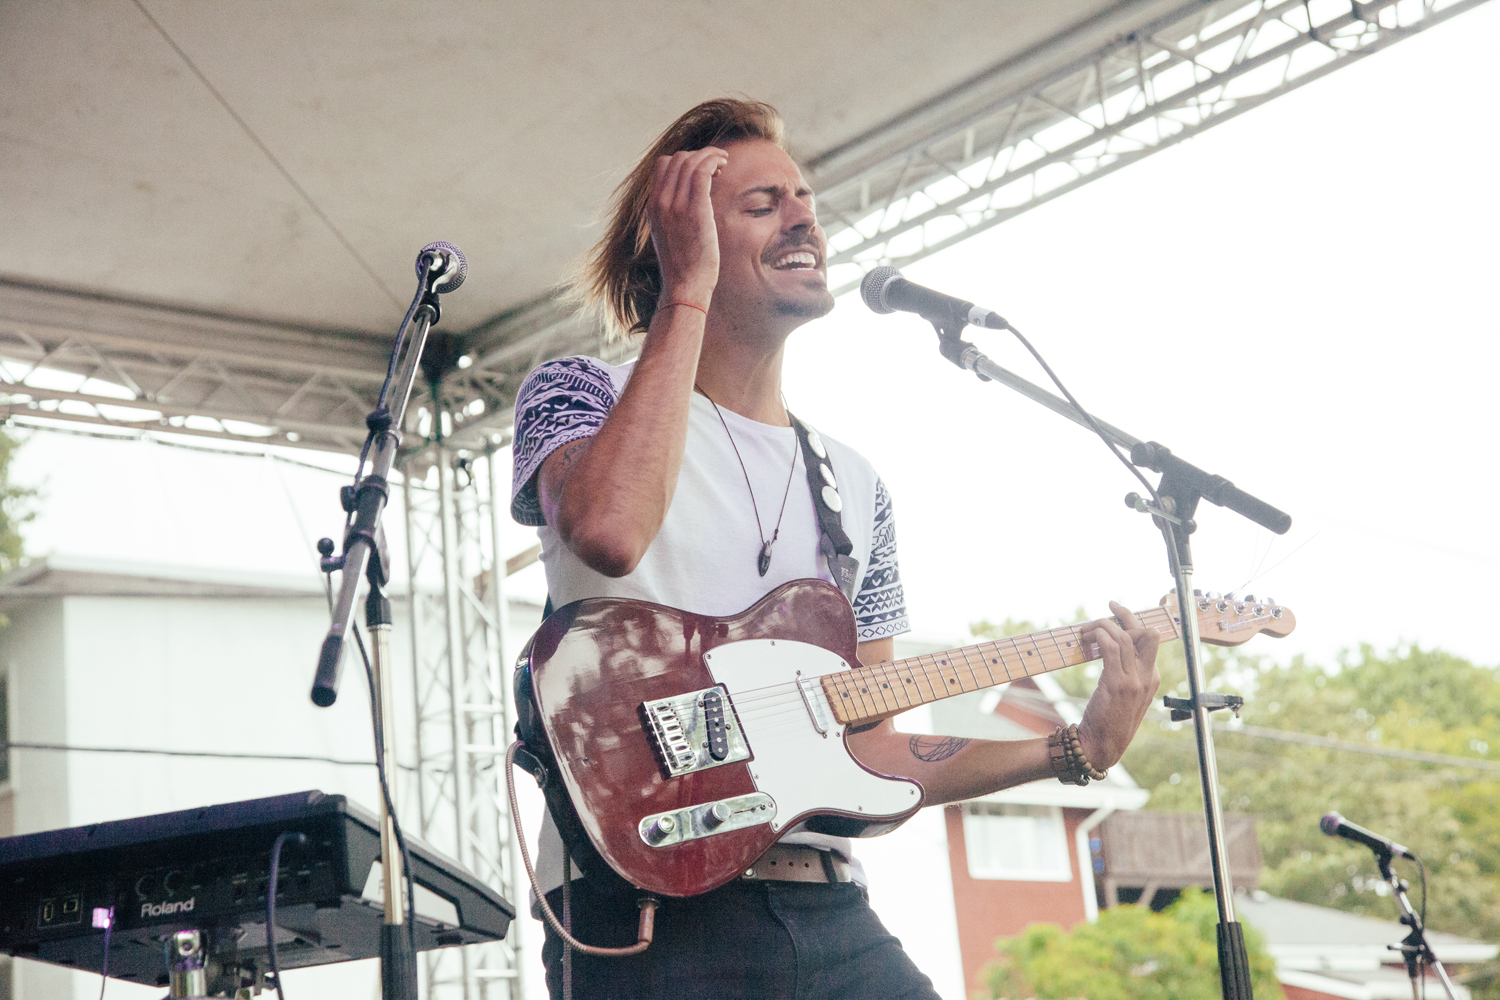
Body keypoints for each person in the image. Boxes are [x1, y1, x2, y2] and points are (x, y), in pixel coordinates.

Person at [510, 98, 1161, 1000]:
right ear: (674, 234)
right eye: (763, 202)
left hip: (829, 908)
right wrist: (687, 292)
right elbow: (609, 534)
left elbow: (873, 753)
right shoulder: (576, 391)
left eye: (805, 196)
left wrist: (1076, 748)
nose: (805, 216)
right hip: (644, 916)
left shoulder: (853, 484)